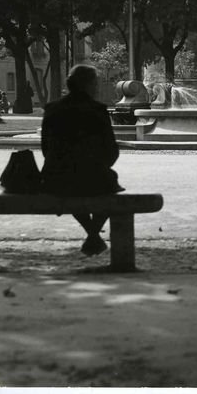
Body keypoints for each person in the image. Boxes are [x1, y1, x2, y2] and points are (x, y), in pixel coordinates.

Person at [41, 63, 123, 256]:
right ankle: (93, 233)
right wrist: (99, 165)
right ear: (88, 85)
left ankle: (92, 235)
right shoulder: (97, 110)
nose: (97, 87)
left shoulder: (52, 109)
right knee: (109, 185)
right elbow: (110, 150)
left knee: (70, 189)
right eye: (95, 83)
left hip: (57, 177)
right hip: (93, 175)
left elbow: (46, 148)